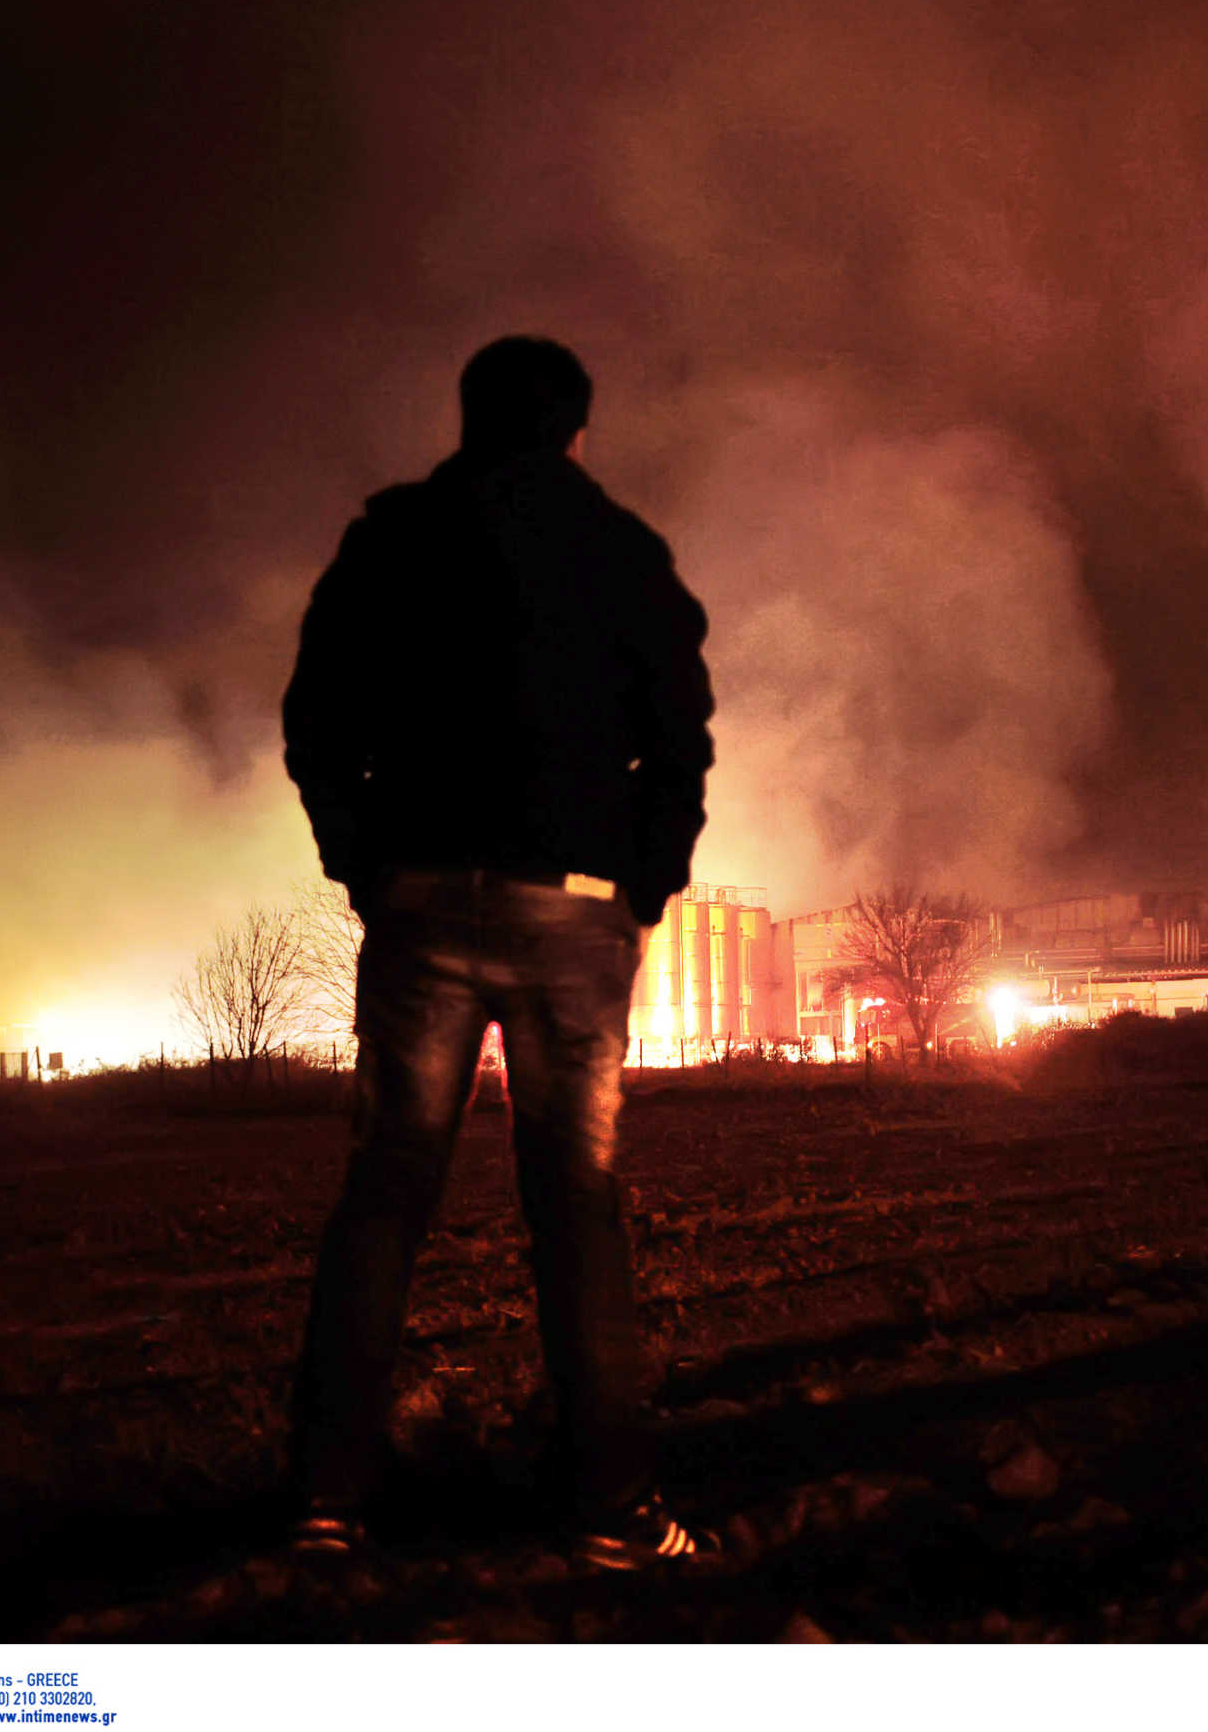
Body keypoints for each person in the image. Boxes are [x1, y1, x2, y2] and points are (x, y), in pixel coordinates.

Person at [279, 335, 716, 1567]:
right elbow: (680, 739)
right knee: (575, 1205)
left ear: (468, 421)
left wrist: (360, 859)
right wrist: (647, 883)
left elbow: (315, 718)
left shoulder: (390, 539)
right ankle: (613, 1511)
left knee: (383, 1195)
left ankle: (324, 1499)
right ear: (579, 431)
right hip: (572, 912)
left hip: (420, 903)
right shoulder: (624, 553)